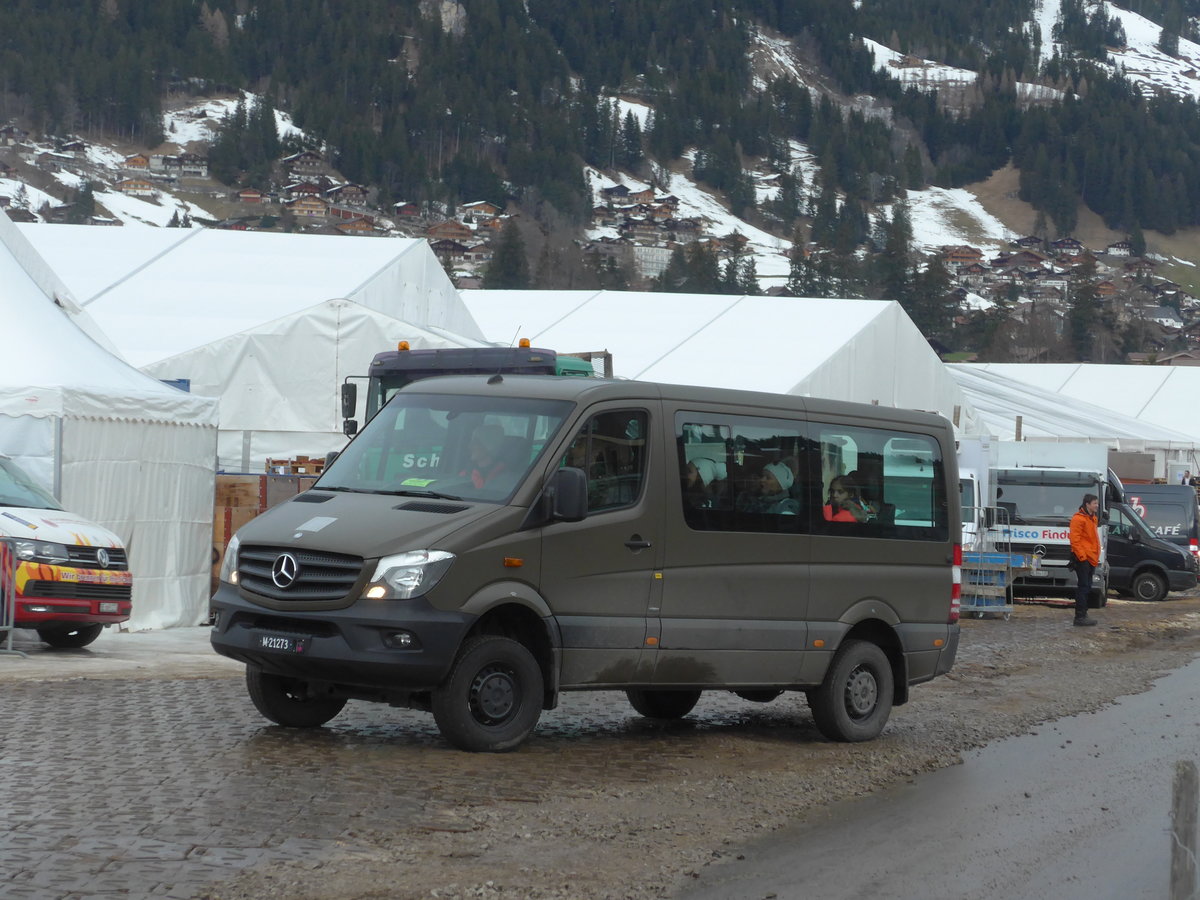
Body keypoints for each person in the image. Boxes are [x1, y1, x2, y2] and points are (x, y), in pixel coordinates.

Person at [1069, 493, 1101, 626]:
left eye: (1097, 503)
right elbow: (1074, 540)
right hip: (1084, 559)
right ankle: (1080, 616)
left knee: (1087, 587)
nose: (1097, 506)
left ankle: (1083, 614)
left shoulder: (1092, 518)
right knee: (1083, 587)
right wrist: (1082, 557)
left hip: (1091, 558)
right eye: (1095, 503)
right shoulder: (1078, 519)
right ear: (1087, 504)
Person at [461, 423, 508, 489]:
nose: (470, 446)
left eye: (475, 442)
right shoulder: (466, 474)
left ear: (489, 446)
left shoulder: (506, 478)